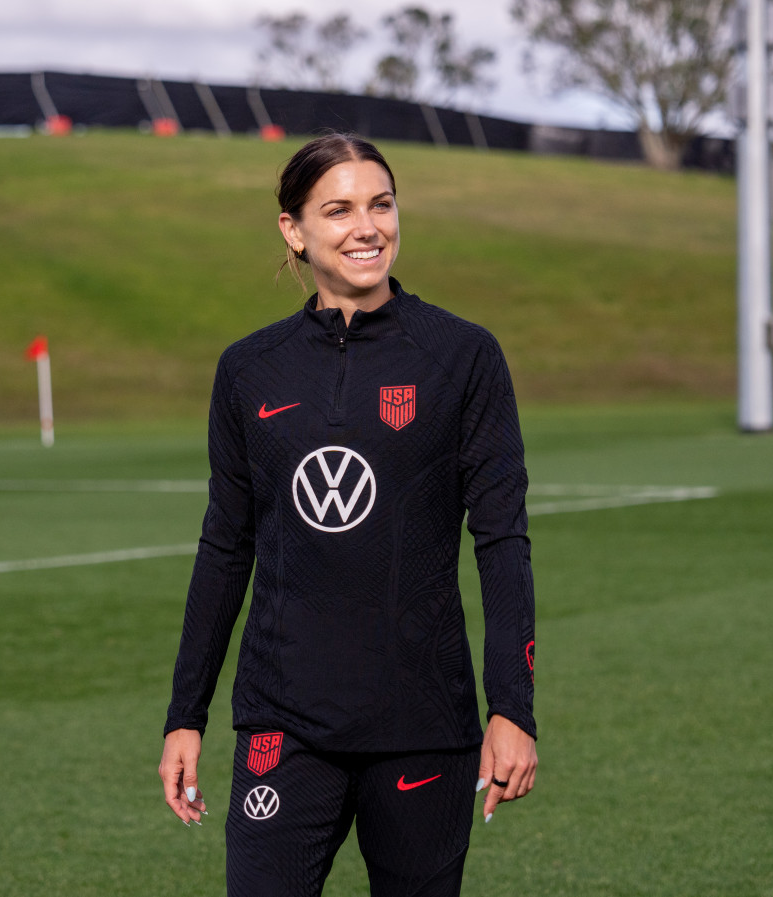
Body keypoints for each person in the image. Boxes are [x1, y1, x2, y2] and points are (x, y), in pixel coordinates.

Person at [159, 132, 537, 897]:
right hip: (283, 719)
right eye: (338, 209)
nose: (368, 227)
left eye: (382, 204)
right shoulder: (248, 370)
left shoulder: (463, 357)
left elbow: (501, 540)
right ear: (293, 230)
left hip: (423, 721)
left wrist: (513, 709)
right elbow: (225, 547)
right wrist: (184, 714)